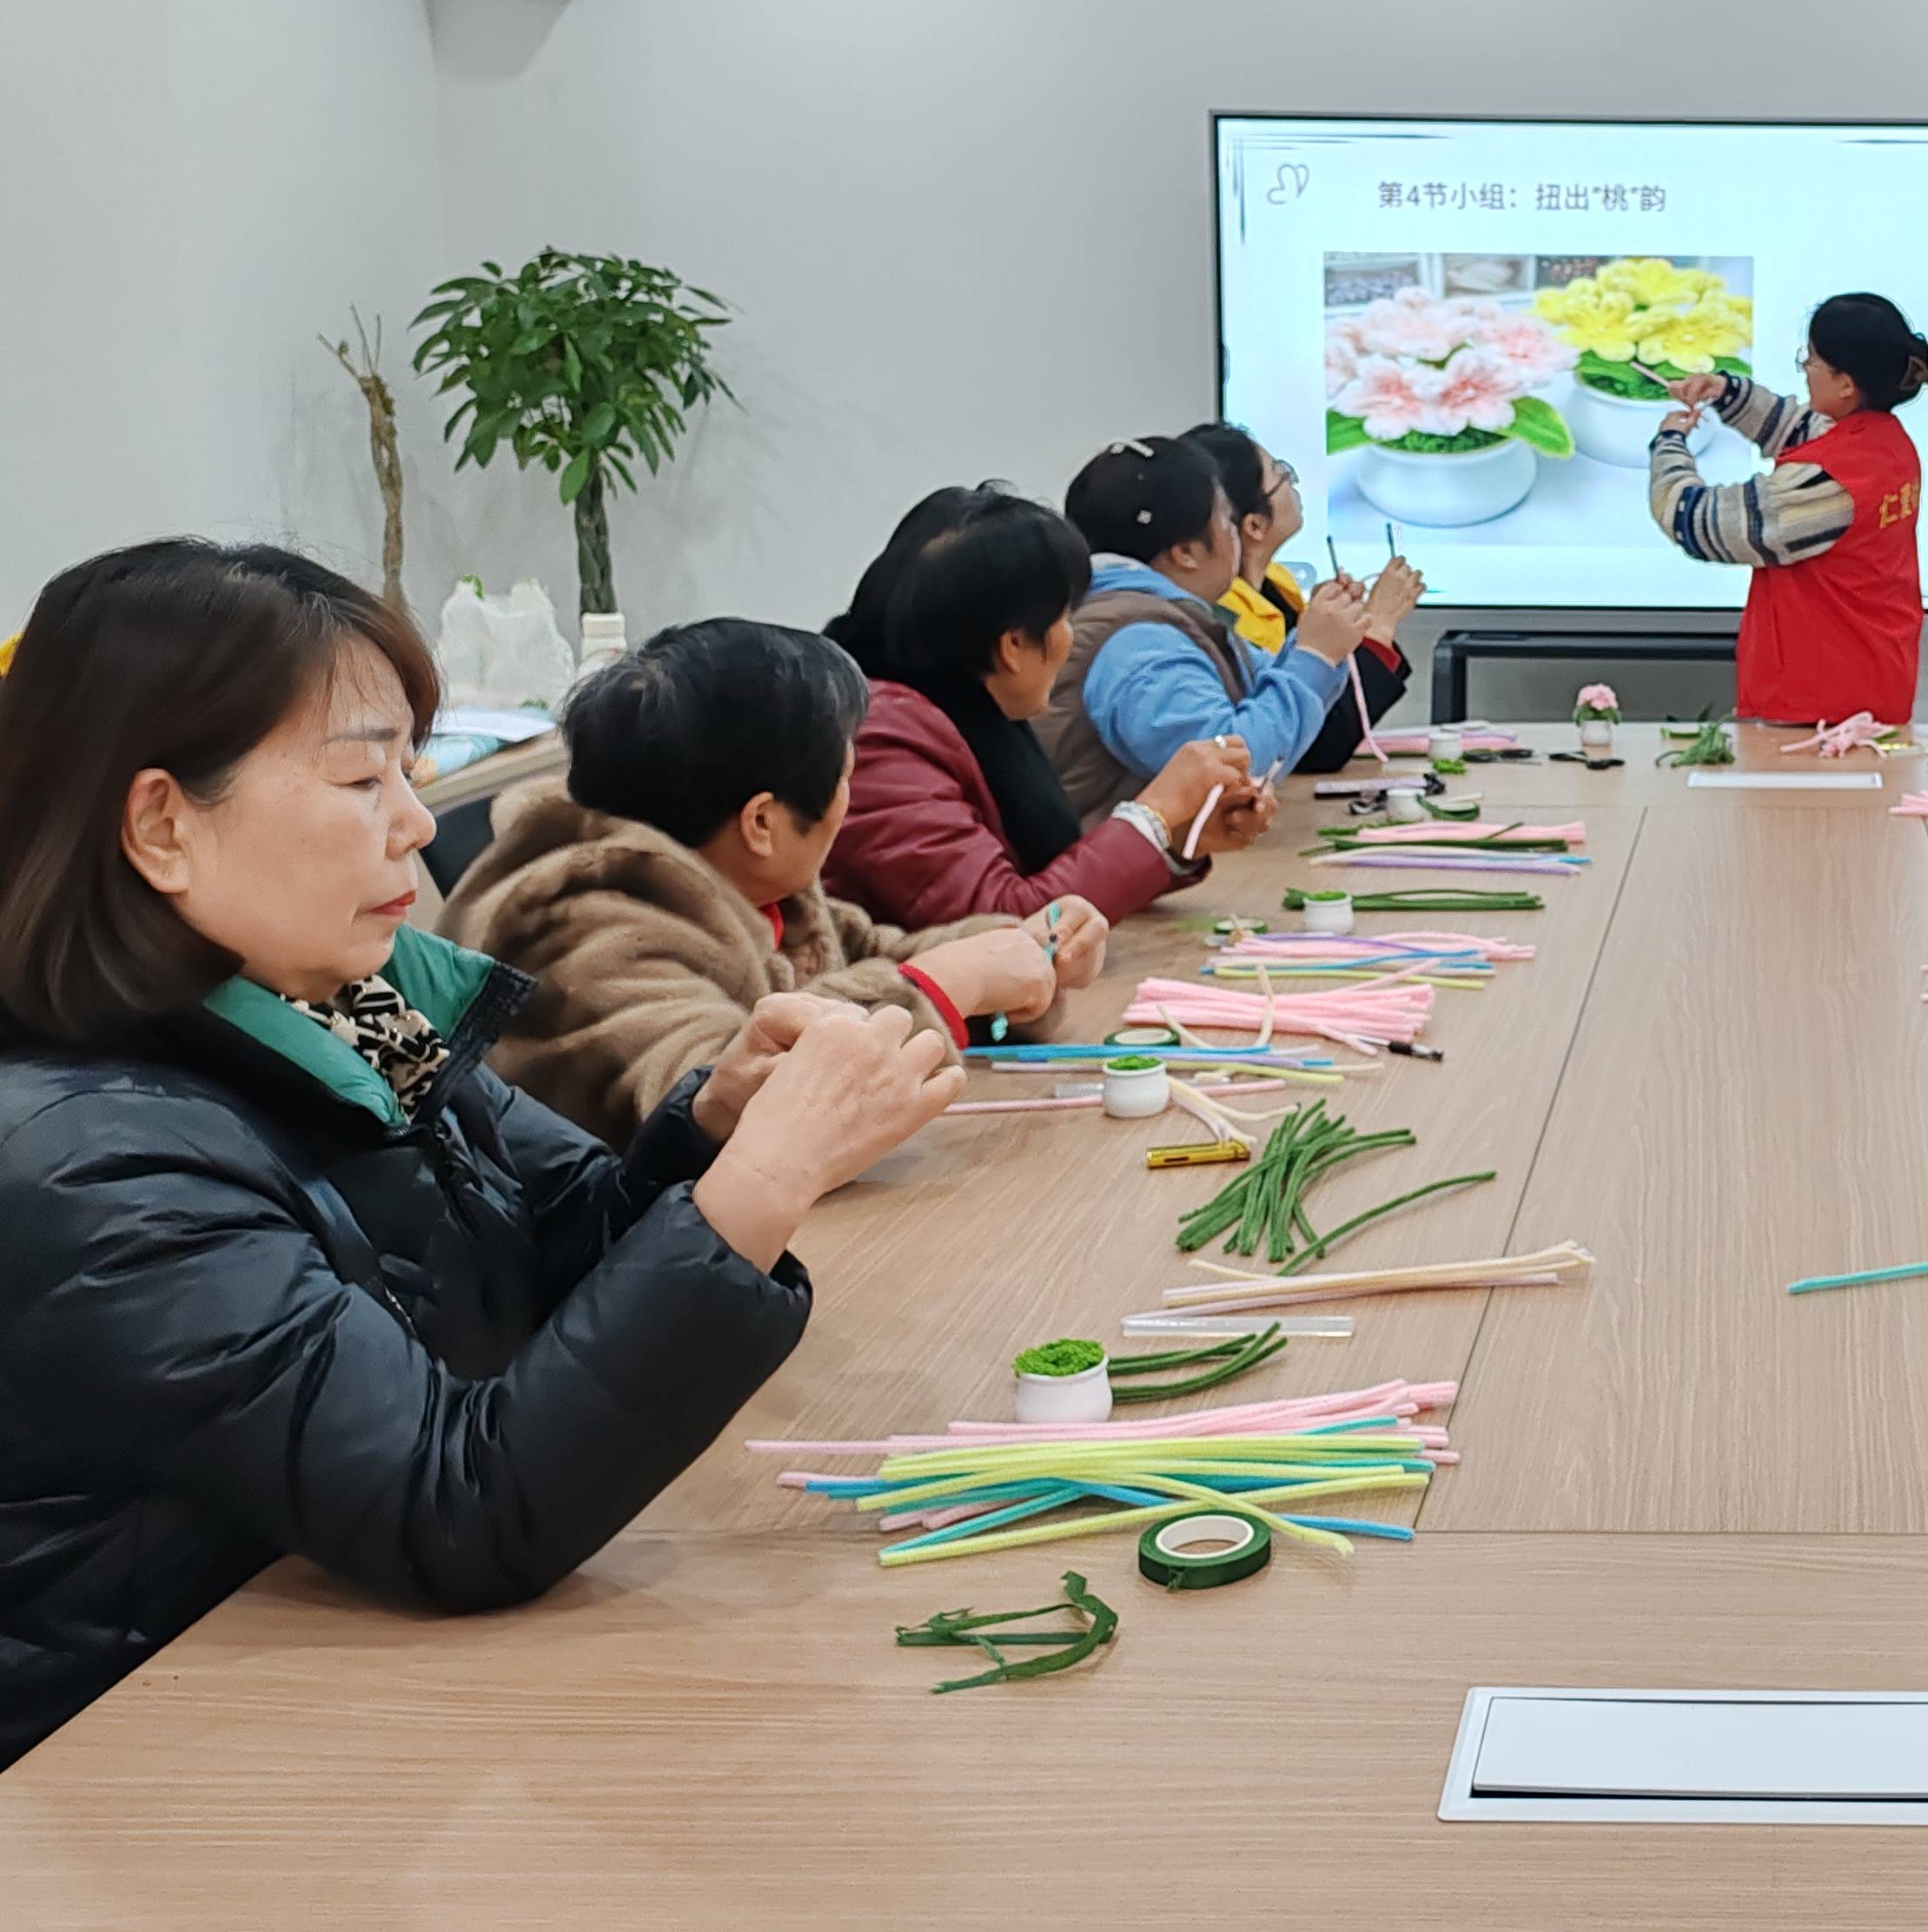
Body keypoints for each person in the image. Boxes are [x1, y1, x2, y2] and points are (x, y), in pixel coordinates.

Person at [0, 540, 963, 1769]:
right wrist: (762, 1186)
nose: (415, 824)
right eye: (362, 781)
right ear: (160, 825)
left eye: (410, 769)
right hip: (154, 1765)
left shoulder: (340, 999)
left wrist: (714, 1124)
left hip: (350, 1680)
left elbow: (547, 1256)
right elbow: (456, 1506)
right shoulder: (85, 1162)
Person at [442, 619, 1105, 1146]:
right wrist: (942, 986)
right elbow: (722, 1109)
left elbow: (874, 953)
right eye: (845, 778)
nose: (849, 799)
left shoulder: (741, 875)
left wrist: (1021, 950)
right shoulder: (584, 925)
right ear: (762, 821)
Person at [824, 486, 1262, 927]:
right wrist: (1155, 815)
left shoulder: (966, 706)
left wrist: (1176, 838)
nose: (1071, 637)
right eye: (1065, 617)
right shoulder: (881, 745)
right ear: (1013, 645)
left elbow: (1040, 876)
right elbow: (1005, 920)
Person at [1042, 437, 1377, 817]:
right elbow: (1230, 771)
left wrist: (1317, 640)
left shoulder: (1165, 617)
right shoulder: (1139, 642)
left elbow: (1263, 699)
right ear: (1186, 552)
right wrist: (1315, 655)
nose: (1233, 534)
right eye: (1225, 520)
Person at [1646, 291, 1928, 725]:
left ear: (1846, 383)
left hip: (1819, 706)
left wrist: (1669, 444)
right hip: (1865, 688)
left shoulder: (1829, 482)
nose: (1805, 370)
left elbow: (1698, 522)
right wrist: (1725, 391)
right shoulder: (1885, 442)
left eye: (1812, 361)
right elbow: (1801, 429)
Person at [1182, 422, 1426, 774]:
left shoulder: (1277, 584)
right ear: (1253, 525)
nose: (1293, 483)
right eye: (1281, 474)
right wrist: (1378, 625)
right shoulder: (1225, 613)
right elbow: (1320, 746)